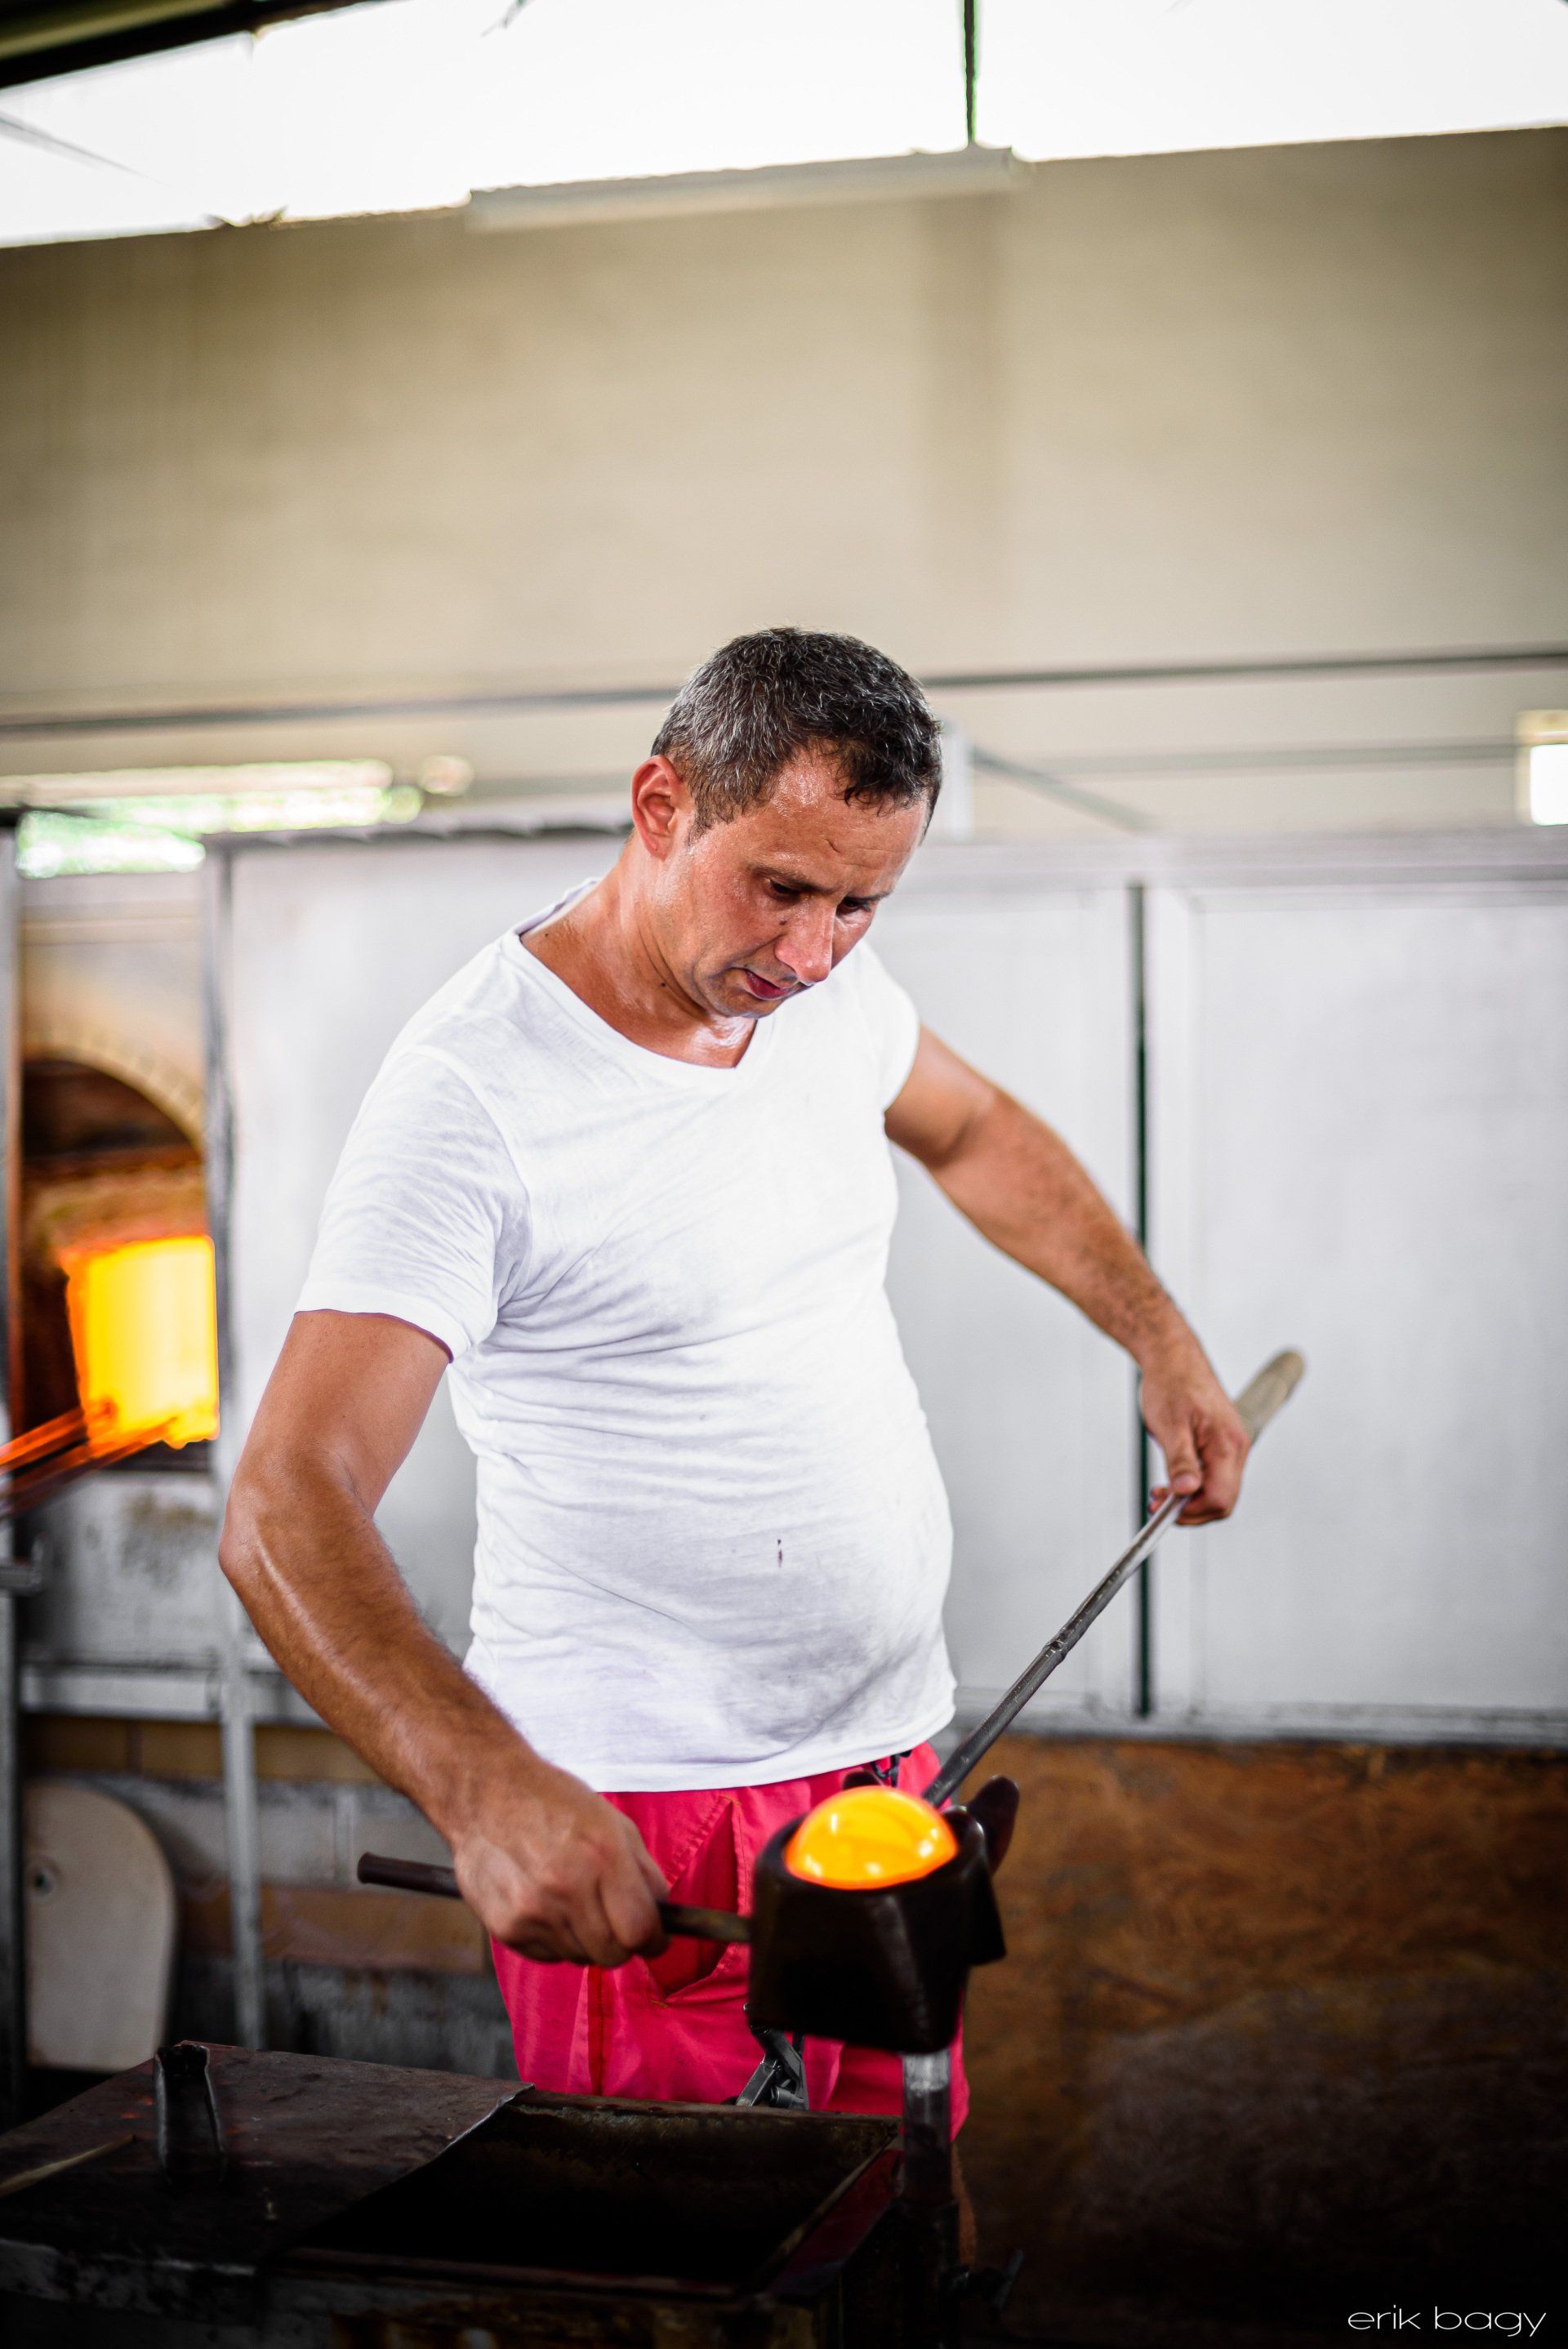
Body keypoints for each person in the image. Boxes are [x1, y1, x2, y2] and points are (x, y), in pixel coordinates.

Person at [220, 626, 1249, 2137]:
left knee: (900, 2188)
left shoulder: (824, 994)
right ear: (661, 805)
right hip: (650, 1814)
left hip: (888, 1766)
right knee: (693, 2248)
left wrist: (1159, 1338)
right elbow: (284, 1503)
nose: (815, 954)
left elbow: (974, 1131)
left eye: (860, 904)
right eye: (780, 887)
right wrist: (488, 1792)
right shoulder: (473, 1097)